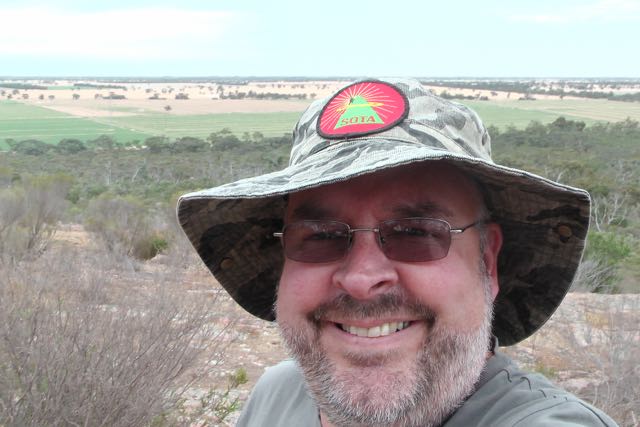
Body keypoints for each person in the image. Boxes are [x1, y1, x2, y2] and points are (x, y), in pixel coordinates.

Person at [177, 78, 618, 426]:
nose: (361, 279)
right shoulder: (277, 394)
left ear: (488, 262)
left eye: (414, 232)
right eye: (321, 236)